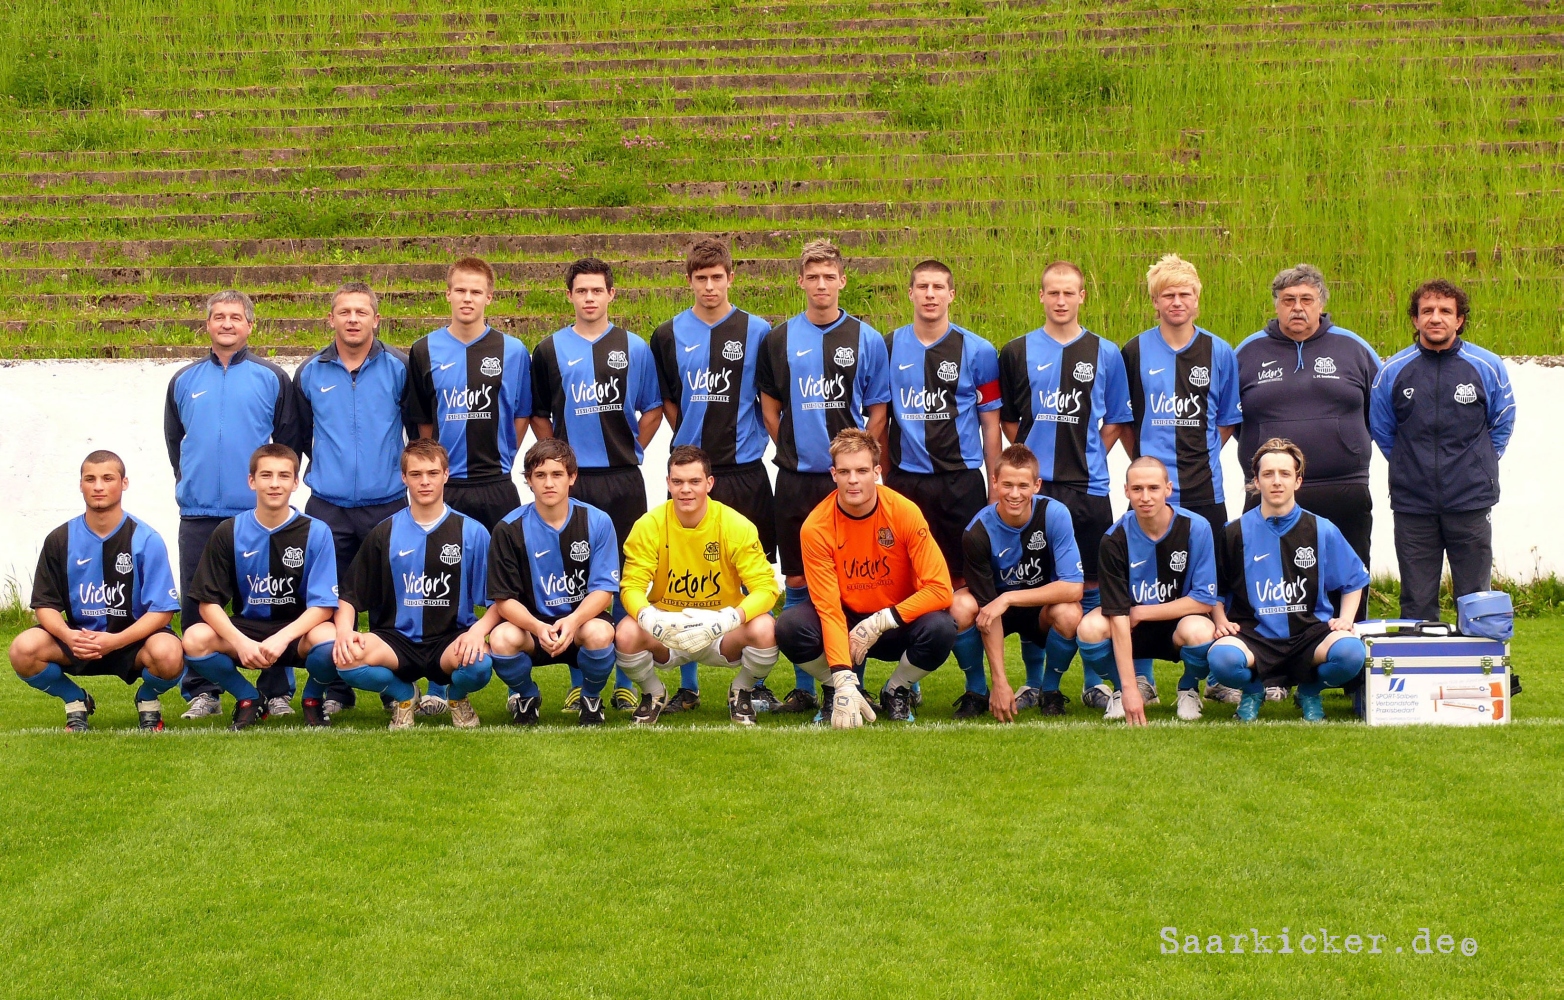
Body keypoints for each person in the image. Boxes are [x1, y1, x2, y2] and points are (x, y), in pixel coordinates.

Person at [756, 239, 891, 715]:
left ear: (842, 281)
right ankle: (805, 687)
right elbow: (770, 407)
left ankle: (854, 680)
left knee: (855, 583)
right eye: (811, 276)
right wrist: (791, 446)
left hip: (849, 481)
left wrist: (858, 458)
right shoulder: (778, 339)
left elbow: (878, 409)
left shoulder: (866, 338)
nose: (820, 285)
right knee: (798, 580)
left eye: (828, 276)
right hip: (797, 479)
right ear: (800, 281)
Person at [649, 238, 780, 712]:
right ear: (689, 281)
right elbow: (669, 401)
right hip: (693, 473)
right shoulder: (667, 335)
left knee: (750, 576)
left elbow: (768, 396)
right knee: (683, 576)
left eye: (717, 277)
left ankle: (751, 680)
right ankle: (687, 682)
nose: (709, 286)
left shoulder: (759, 331)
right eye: (700, 278)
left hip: (745, 470)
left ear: (730, 277)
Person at [531, 256, 664, 713]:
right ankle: (579, 677)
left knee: (629, 576)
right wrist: (560, 463)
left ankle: (628, 676)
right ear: (569, 296)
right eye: (581, 291)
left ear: (611, 294)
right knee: (573, 581)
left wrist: (635, 449)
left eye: (597, 290)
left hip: (624, 480)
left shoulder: (635, 347)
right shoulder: (548, 350)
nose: (589, 298)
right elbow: (538, 416)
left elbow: (652, 410)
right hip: (575, 484)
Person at [997, 260, 1132, 712]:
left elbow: (1114, 419)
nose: (1060, 301)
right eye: (1052, 293)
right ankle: (1035, 682)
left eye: (1068, 293)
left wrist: (1088, 450)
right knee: (1039, 579)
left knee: (1092, 583)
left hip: (1088, 487)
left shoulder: (1106, 352)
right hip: (1035, 491)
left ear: (1081, 297)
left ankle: (1095, 681)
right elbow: (1012, 421)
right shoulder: (1016, 351)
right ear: (1041, 296)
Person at [164, 289, 303, 718]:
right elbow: (176, 444)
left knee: (271, 602)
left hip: (258, 518)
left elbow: (287, 446)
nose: (227, 323)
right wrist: (195, 483)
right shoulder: (184, 380)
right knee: (197, 603)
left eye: (235, 317)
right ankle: (204, 690)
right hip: (200, 513)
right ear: (207, 324)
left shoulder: (272, 377)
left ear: (250, 325)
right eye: (219, 316)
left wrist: (268, 496)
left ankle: (276, 689)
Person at [404, 257, 531, 715]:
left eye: (476, 291)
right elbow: (421, 424)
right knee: (443, 585)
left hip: (496, 485)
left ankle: (519, 684)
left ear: (489, 297)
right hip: (447, 489)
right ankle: (440, 684)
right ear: (448, 293)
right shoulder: (424, 350)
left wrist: (503, 460)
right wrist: (434, 475)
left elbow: (520, 415)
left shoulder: (512, 351)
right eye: (460, 290)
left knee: (512, 584)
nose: (467, 299)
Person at [1119, 253, 1241, 706]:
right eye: (1167, 295)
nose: (1176, 301)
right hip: (1151, 491)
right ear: (1154, 301)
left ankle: (1211, 673)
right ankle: (1144, 677)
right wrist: (1148, 468)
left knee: (1212, 581)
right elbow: (1126, 419)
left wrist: (1201, 453)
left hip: (1205, 486)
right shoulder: (1133, 351)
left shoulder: (1219, 351)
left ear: (1197, 300)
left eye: (1184, 294)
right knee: (1143, 578)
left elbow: (1227, 420)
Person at [311, 440, 499, 730]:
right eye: (416, 474)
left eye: (433, 473)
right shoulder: (384, 532)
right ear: (404, 478)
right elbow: (349, 596)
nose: (425, 482)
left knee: (480, 665)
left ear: (446, 475)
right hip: (395, 640)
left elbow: (499, 599)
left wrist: (478, 632)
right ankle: (404, 696)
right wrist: (345, 633)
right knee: (346, 660)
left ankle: (457, 697)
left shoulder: (472, 532)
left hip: (450, 638)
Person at [774, 429, 956, 726]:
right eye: (844, 471)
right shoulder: (816, 527)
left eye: (861, 470)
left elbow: (940, 589)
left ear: (877, 471)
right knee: (790, 627)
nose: (853, 480)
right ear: (833, 474)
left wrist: (881, 620)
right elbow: (829, 609)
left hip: (893, 623)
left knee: (942, 627)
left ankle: (897, 689)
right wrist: (844, 678)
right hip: (845, 622)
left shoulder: (904, 512)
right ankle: (839, 691)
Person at [1235, 265, 1379, 627]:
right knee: (1270, 579)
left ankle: (1349, 662)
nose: (1297, 308)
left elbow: (1383, 411)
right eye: (1288, 300)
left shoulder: (1354, 348)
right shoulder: (1247, 353)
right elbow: (1230, 417)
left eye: (1306, 300)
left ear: (1321, 305)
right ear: (1276, 305)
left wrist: (1348, 446)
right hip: (1271, 489)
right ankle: (1275, 667)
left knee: (1348, 574)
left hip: (1343, 486)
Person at [294, 281, 413, 716]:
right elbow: (301, 435)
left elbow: (418, 429)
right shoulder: (309, 371)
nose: (352, 320)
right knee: (326, 600)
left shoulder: (400, 365)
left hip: (388, 503)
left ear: (376, 319)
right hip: (328, 505)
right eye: (344, 312)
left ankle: (390, 686)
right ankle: (334, 688)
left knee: (389, 598)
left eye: (361, 312)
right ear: (330, 319)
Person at [1371, 279, 1515, 622]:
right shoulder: (1393, 371)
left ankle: (1477, 672)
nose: (1436, 318)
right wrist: (1411, 465)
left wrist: (1474, 465)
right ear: (1415, 320)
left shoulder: (1488, 366)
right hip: (1413, 504)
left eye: (1445, 311)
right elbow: (1383, 430)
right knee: (1417, 601)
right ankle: (1421, 672)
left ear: (1459, 319)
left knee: (1476, 599)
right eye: (1427, 311)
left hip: (1471, 501)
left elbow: (1502, 424)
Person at [8, 451, 183, 732]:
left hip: (132, 640)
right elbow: (45, 605)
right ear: (80, 485)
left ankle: (147, 698)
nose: (98, 486)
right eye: (90, 479)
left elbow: (162, 611)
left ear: (124, 483)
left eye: (107, 478)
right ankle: (75, 700)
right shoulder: (60, 539)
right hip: (79, 639)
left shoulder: (146, 539)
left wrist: (115, 641)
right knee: (22, 650)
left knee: (170, 654)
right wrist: (68, 636)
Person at [614, 446, 782, 726]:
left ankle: (741, 690)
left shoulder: (736, 525)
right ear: (668, 483)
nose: (685, 490)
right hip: (667, 627)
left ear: (709, 483)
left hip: (721, 629)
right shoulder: (648, 525)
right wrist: (648, 616)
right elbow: (631, 585)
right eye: (677, 482)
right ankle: (654, 693)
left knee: (765, 628)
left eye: (694, 481)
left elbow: (766, 588)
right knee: (627, 632)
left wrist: (731, 618)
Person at [1207, 439, 1371, 722]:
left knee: (1351, 653)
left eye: (1285, 474)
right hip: (1254, 635)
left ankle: (1309, 690)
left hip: (1310, 634)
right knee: (1221, 660)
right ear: (1256, 481)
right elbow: (1215, 589)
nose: (1276, 481)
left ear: (1298, 481)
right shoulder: (1233, 533)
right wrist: (1220, 619)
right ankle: (1254, 690)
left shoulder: (1322, 529)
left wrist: (1345, 619)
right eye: (1268, 474)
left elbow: (1354, 580)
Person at [180, 444, 339, 730]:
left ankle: (313, 698)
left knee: (330, 640)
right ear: (251, 481)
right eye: (266, 475)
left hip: (296, 631)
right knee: (194, 638)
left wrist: (282, 639)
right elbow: (207, 602)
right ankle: (247, 697)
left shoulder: (317, 531)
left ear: (295, 482)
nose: (275, 484)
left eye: (283, 475)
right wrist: (241, 643)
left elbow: (324, 605)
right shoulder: (229, 530)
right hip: (248, 628)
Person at [1075, 456, 1222, 725]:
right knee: (1089, 628)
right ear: (1126, 491)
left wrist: (1143, 611)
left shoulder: (1196, 527)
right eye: (1137, 489)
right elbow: (1118, 614)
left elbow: (1202, 600)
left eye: (1153, 488)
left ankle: (1188, 688)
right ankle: (1125, 688)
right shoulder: (1113, 538)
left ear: (1168, 489)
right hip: (1131, 625)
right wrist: (1128, 687)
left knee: (1202, 631)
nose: (1145, 497)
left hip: (1178, 623)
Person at [486, 439, 620, 727]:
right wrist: (537, 627)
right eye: (540, 475)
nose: (549, 483)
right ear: (529, 481)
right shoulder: (508, 529)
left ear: (572, 477)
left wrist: (572, 622)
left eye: (557, 474)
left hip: (580, 622)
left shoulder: (597, 521)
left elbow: (604, 591)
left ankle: (591, 698)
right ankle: (526, 696)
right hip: (532, 628)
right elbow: (503, 599)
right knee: (500, 639)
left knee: (600, 633)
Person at [948, 445, 1082, 721]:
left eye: (1023, 485)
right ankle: (977, 691)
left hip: (1035, 606)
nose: (1014, 494)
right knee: (959, 606)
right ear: (994, 482)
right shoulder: (977, 531)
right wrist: (1000, 681)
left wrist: (1008, 598)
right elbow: (987, 611)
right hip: (994, 611)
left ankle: (1050, 691)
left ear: (1037, 485)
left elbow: (1073, 587)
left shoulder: (1055, 514)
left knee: (1070, 612)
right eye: (1007, 484)